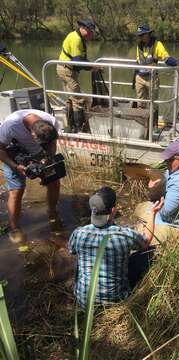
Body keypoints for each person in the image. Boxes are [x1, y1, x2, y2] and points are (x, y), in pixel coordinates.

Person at [68, 186, 164, 309]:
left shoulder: (79, 233)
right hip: (117, 300)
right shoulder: (123, 234)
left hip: (84, 302)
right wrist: (153, 213)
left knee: (79, 256)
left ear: (92, 210)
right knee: (146, 253)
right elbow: (146, 241)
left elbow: (71, 250)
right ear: (113, 210)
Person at [0, 109, 60, 242]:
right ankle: (15, 229)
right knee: (16, 192)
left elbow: (52, 143)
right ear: (32, 135)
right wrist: (15, 166)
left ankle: (52, 212)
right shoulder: (10, 126)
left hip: (39, 154)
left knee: (54, 182)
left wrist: (48, 158)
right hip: (14, 154)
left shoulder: (52, 122)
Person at [135, 140, 179, 241]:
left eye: (169, 160)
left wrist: (157, 191)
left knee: (140, 238)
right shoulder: (172, 171)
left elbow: (165, 212)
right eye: (166, 160)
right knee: (139, 208)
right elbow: (154, 198)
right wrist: (154, 188)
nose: (166, 162)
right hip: (164, 214)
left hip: (174, 226)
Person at [134, 24, 179, 125]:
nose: (140, 37)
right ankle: (142, 125)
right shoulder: (139, 45)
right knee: (140, 103)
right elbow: (138, 60)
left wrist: (178, 63)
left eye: (142, 35)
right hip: (139, 77)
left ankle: (153, 125)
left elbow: (166, 58)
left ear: (148, 34)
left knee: (153, 104)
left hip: (152, 78)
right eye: (139, 35)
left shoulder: (157, 44)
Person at [57, 19, 96, 133]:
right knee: (77, 99)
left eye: (92, 32)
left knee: (71, 98)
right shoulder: (76, 39)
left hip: (66, 69)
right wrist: (93, 67)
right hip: (66, 70)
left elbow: (80, 59)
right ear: (83, 28)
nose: (91, 34)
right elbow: (78, 61)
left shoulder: (78, 37)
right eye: (90, 31)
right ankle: (79, 129)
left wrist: (92, 65)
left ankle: (71, 126)